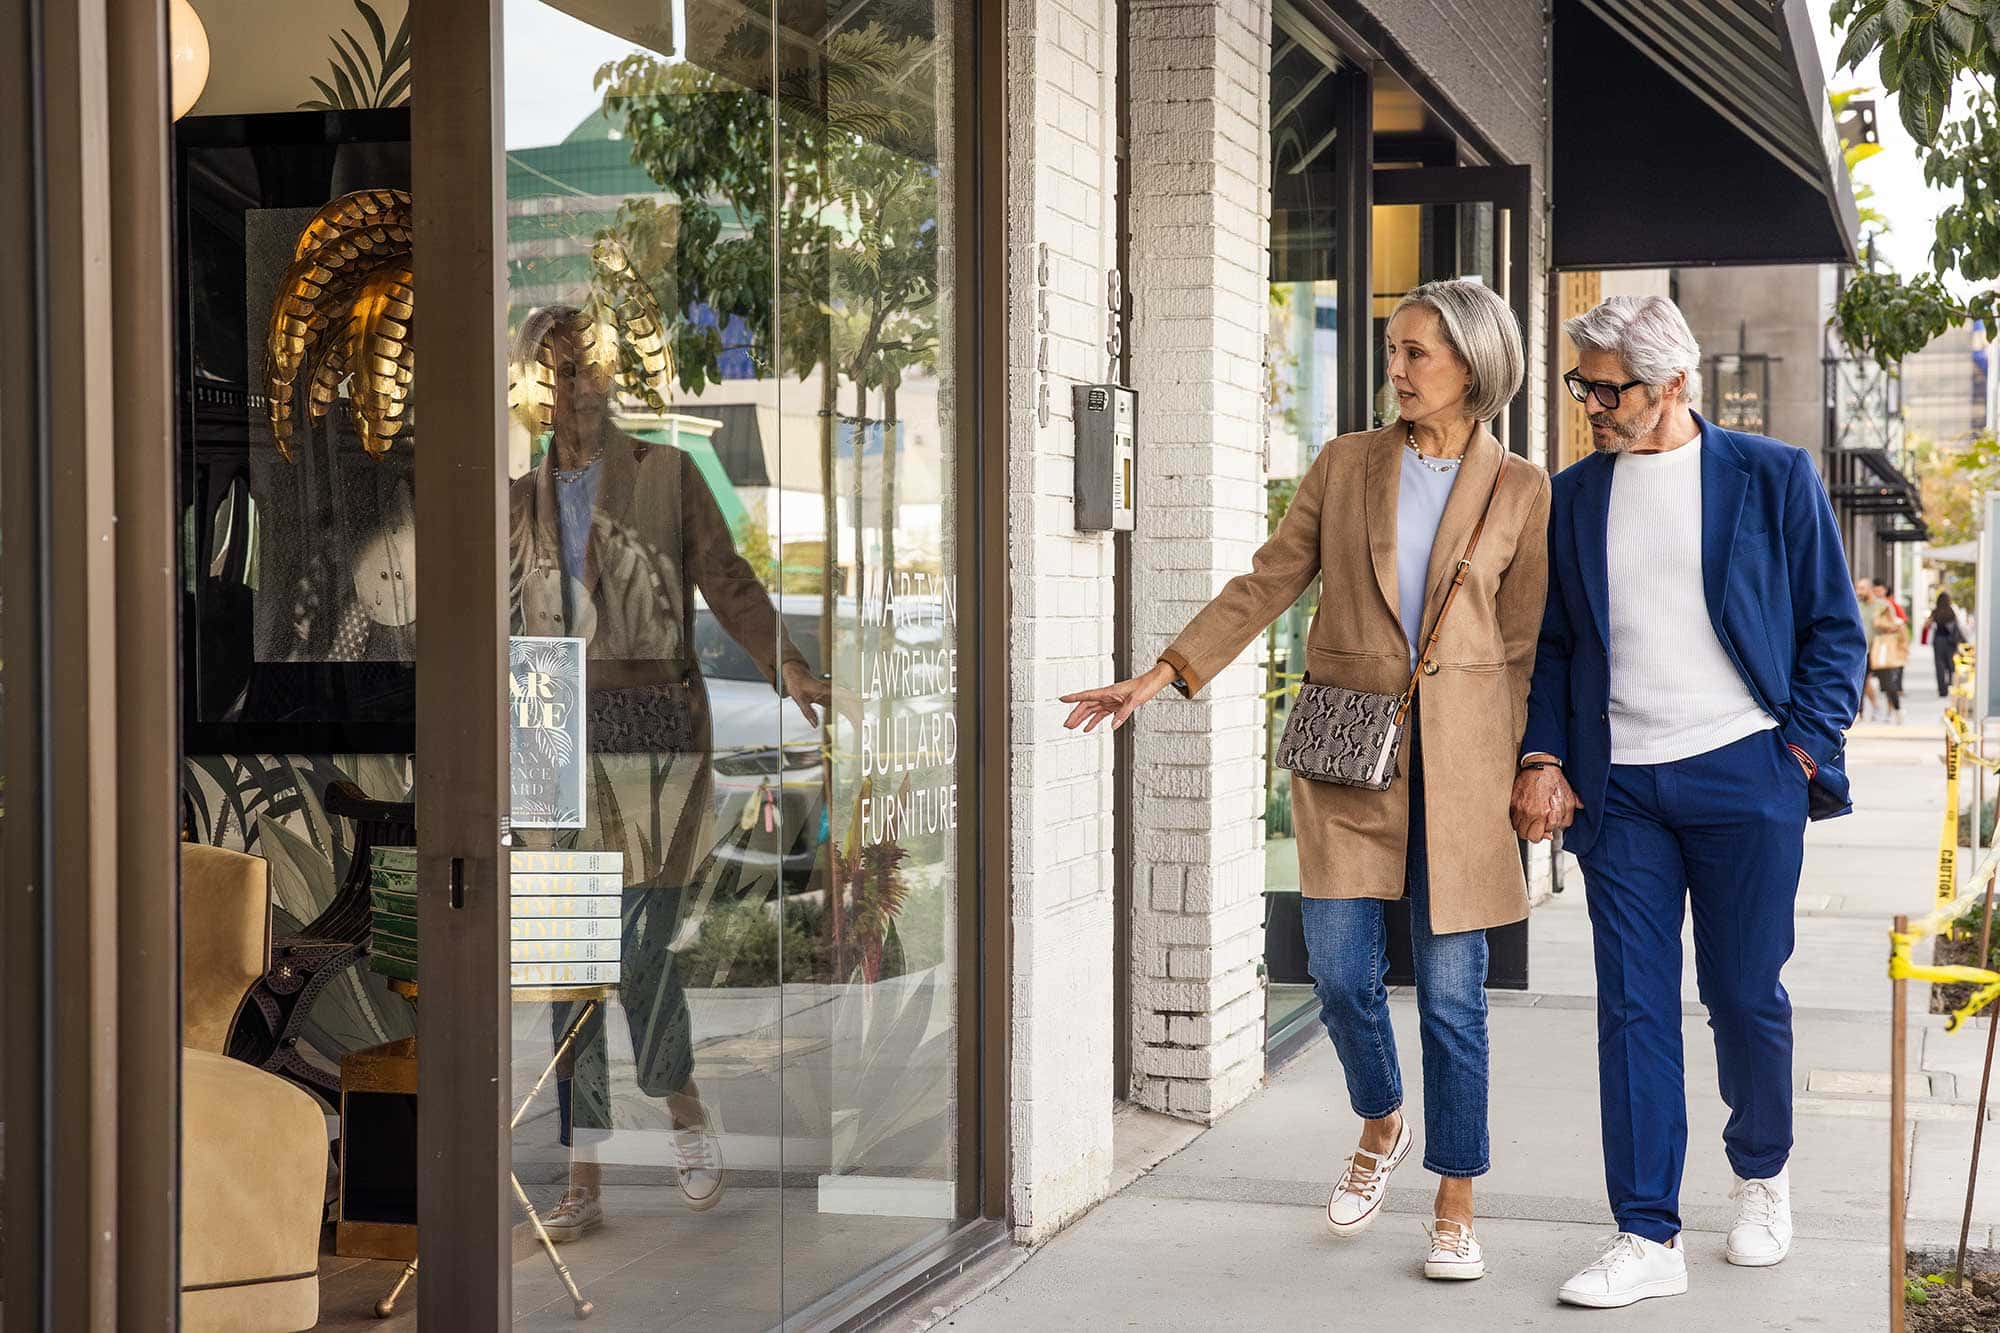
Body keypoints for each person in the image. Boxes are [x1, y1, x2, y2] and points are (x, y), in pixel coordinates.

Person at [1061, 279, 1550, 1283]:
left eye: (1415, 352)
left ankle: (1456, 1198)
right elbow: (1268, 580)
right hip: (1350, 753)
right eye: (1391, 348)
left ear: (1471, 365)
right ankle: (1381, 1118)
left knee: (1452, 997)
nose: (1395, 368)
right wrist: (1164, 672)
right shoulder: (1345, 463)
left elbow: (1525, 644)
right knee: (1334, 969)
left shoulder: (1520, 488)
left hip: (1464, 766)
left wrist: (1533, 762)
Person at [1512, 296, 1866, 1308]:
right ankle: (1645, 1231)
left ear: (1672, 383)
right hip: (1619, 788)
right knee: (1631, 1006)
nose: (1588, 405)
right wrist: (1543, 753)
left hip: (1744, 774)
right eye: (1580, 386)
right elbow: (1556, 644)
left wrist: (1796, 752)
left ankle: (1760, 1174)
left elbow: (1832, 629)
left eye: (1605, 389)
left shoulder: (1771, 475)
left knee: (1742, 994)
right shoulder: (1574, 496)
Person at [508, 305, 830, 1241]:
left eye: (581, 367)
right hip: (550, 733)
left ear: (607, 376)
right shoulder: (516, 497)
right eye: (552, 370)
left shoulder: (669, 474)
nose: (569, 385)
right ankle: (584, 1176)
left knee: (640, 950)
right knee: (569, 967)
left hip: (652, 728)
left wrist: (786, 661)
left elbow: (729, 581)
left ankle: (682, 1103)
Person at [1871, 597, 1910, 723]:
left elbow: (1904, 641)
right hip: (1881, 659)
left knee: (1891, 686)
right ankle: (1892, 711)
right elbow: (1876, 624)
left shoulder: (1898, 624)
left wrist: (1903, 655)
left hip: (1895, 659)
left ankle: (1897, 710)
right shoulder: (1878, 624)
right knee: (1886, 687)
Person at [1925, 591, 1967, 700]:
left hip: (1938, 640)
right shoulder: (1951, 612)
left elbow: (1927, 625)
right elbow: (1957, 627)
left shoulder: (1935, 612)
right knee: (1950, 664)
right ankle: (1950, 685)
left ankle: (1942, 690)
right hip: (1950, 642)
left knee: (1939, 665)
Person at [1856, 579, 1883, 721]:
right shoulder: (1857, 605)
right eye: (1858, 588)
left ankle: (1888, 709)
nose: (1858, 592)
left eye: (1862, 588)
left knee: (1887, 685)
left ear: (1870, 589)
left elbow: (1896, 624)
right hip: (1862, 651)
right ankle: (1861, 710)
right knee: (1863, 681)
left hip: (1878, 650)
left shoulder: (1882, 606)